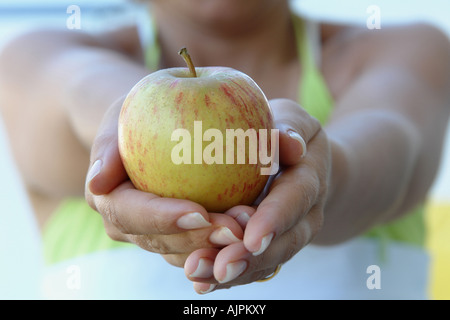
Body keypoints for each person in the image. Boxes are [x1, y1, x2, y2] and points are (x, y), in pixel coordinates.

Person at [0, 0, 449, 298]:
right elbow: (77, 87)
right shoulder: (34, 56)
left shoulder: (405, 48)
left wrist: (320, 175)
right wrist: (132, 122)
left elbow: (394, 142)